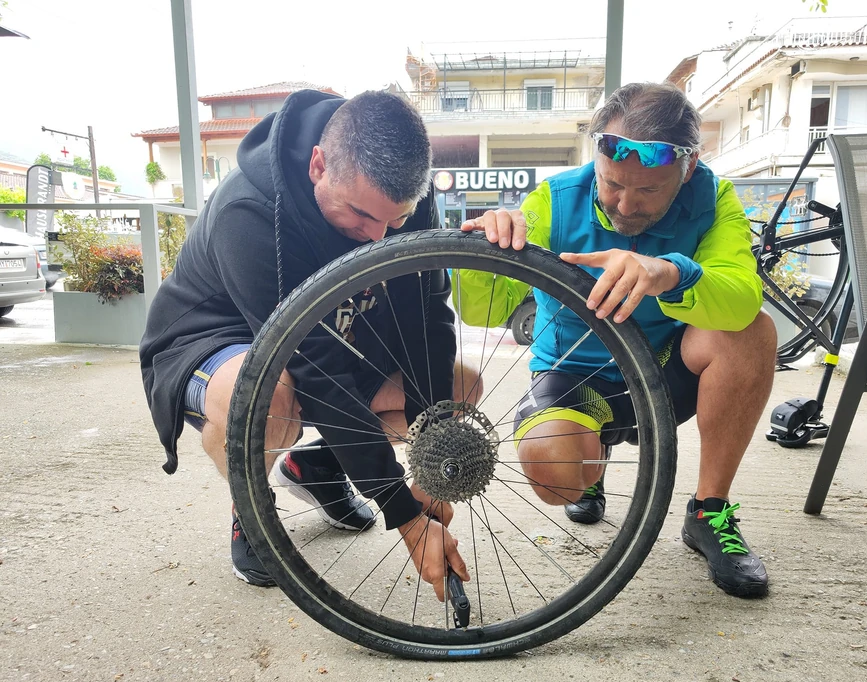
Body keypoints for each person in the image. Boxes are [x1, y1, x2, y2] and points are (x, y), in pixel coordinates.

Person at [140, 89, 470, 599]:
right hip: (217, 340)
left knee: (460, 384)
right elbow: (315, 367)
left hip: (336, 333)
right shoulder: (247, 212)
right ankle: (250, 507)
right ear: (318, 164)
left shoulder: (403, 195)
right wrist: (404, 514)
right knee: (271, 394)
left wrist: (433, 454)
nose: (377, 237)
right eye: (361, 215)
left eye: (396, 221)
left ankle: (318, 467)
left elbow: (427, 318)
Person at [456, 82, 776, 598]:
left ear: (687, 168)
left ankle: (708, 512)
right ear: (596, 163)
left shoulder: (712, 198)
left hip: (663, 373)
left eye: (648, 191)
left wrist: (671, 272)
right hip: (572, 376)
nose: (625, 204)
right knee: (559, 478)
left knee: (751, 332)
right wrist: (482, 251)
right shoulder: (555, 199)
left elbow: (741, 295)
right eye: (611, 184)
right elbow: (480, 309)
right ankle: (593, 461)